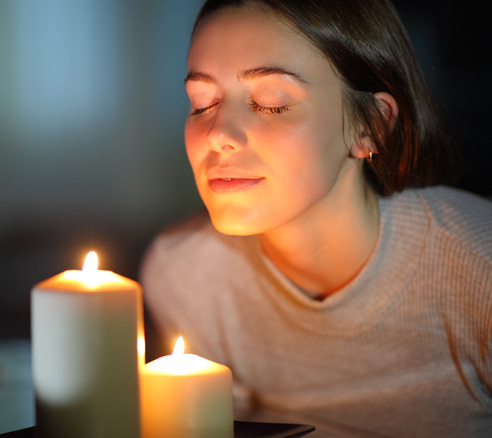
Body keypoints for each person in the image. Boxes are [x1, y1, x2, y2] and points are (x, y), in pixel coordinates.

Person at [140, 0, 492, 436]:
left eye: (270, 103)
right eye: (202, 102)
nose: (218, 134)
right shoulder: (184, 273)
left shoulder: (479, 271)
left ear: (371, 127)